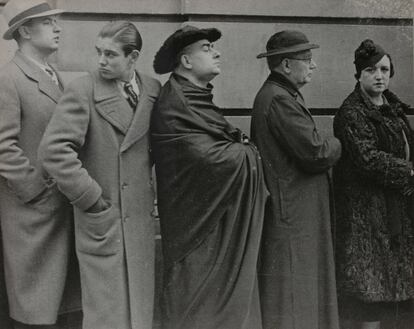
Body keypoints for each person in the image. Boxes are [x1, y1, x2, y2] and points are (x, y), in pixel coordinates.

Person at [38, 21, 160, 329]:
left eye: (111, 54)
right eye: (98, 53)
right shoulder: (83, 90)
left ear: (133, 58)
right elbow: (53, 151)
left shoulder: (153, 90)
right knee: (107, 312)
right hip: (103, 218)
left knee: (139, 312)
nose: (101, 61)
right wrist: (90, 198)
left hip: (140, 221)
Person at [151, 25, 268, 329]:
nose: (216, 52)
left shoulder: (195, 98)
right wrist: (249, 153)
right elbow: (206, 158)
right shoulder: (175, 102)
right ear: (186, 61)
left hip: (211, 221)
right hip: (195, 229)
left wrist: (241, 149)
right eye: (206, 48)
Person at [251, 30, 342, 329]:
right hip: (293, 216)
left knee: (297, 296)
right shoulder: (279, 99)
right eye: (307, 59)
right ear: (287, 65)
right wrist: (340, 143)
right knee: (293, 298)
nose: (313, 65)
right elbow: (315, 152)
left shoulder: (278, 95)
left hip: (295, 213)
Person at [0, 1, 81, 328]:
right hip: (31, 213)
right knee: (34, 309)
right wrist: (36, 192)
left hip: (60, 210)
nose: (58, 28)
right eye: (48, 23)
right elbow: (3, 146)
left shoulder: (56, 77)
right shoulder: (8, 78)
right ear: (24, 31)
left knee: (59, 307)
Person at [333, 39, 414, 329]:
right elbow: (367, 158)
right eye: (371, 70)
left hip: (396, 208)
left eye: (384, 69)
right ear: (359, 74)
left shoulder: (392, 106)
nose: (379, 75)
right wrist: (410, 173)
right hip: (367, 214)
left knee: (395, 290)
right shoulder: (351, 112)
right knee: (371, 292)